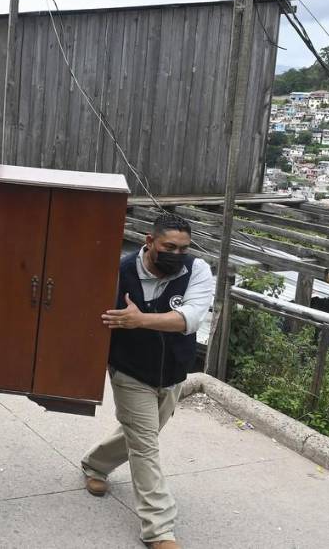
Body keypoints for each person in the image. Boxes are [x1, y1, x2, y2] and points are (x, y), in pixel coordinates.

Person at [81, 213, 213, 549]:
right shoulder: (120, 271)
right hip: (130, 371)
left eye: (184, 248)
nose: (178, 253)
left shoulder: (196, 270)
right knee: (145, 446)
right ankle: (159, 529)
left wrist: (140, 319)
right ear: (149, 241)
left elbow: (192, 317)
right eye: (170, 246)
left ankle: (95, 464)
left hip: (172, 374)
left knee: (144, 434)